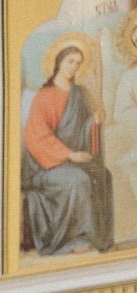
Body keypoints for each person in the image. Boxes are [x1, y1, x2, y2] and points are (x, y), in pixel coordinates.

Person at [23, 43, 112, 258]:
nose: (74, 67)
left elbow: (81, 128)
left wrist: (94, 122)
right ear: (58, 62)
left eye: (78, 63)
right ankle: (76, 239)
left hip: (74, 159)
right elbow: (37, 138)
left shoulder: (79, 93)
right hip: (46, 166)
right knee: (77, 180)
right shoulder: (44, 97)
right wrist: (68, 155)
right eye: (70, 61)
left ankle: (100, 238)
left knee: (103, 175)